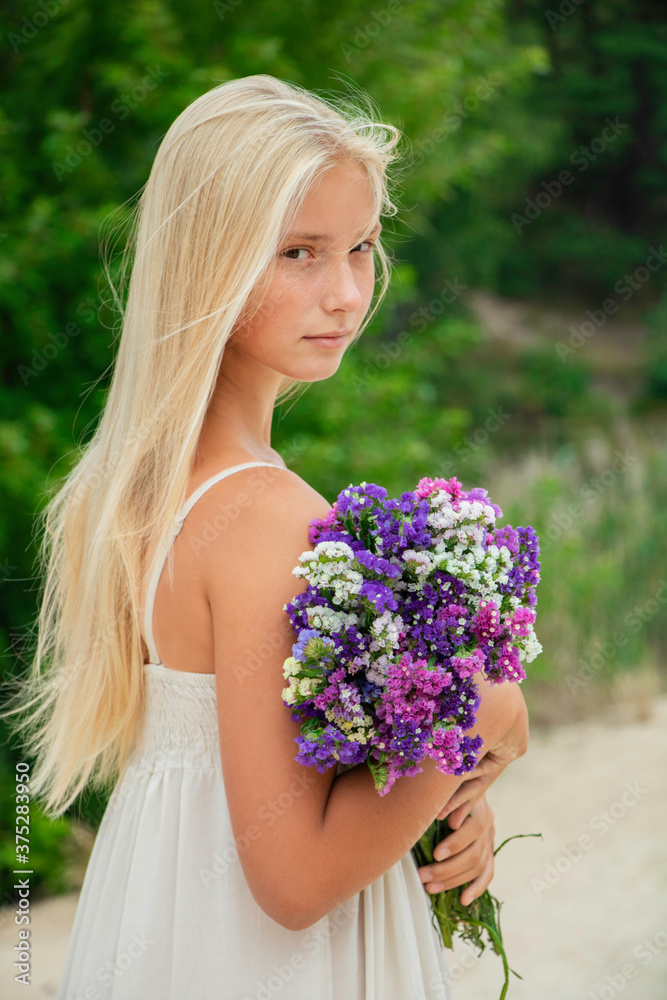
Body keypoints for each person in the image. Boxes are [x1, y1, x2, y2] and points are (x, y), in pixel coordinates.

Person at [2, 74, 529, 998]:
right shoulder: (263, 517)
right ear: (206, 263)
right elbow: (292, 880)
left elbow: (278, 777)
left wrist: (425, 803)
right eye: (297, 253)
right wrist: (477, 712)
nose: (345, 294)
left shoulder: (147, 490)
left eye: (359, 247)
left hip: (174, 927)